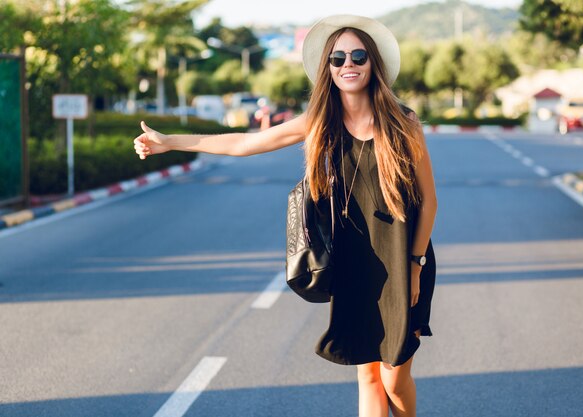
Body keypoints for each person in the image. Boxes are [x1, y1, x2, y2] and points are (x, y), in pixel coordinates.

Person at [133, 14, 437, 417]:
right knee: (367, 377)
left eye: (358, 55)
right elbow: (246, 143)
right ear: (327, 68)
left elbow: (429, 202)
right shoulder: (321, 121)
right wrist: (170, 141)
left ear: (373, 63)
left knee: (395, 379)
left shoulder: (404, 122)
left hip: (403, 259)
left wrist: (415, 266)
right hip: (355, 262)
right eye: (338, 57)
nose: (348, 63)